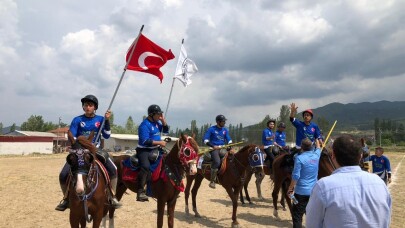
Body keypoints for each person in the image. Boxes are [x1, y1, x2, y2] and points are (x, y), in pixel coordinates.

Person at [306, 135, 392, 228]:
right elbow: (386, 220)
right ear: (360, 156)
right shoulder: (380, 183)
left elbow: (312, 224)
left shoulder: (323, 186)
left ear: (333, 155)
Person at [55, 94, 122, 211]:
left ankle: (112, 196)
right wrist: (78, 146)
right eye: (85, 105)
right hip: (79, 150)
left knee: (113, 169)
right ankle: (66, 199)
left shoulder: (100, 119)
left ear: (95, 107)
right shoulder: (77, 120)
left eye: (90, 105)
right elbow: (73, 136)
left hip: (96, 149)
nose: (87, 107)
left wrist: (106, 121)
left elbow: (106, 135)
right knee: (63, 174)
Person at [135, 104, 169, 201]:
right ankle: (140, 192)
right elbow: (144, 141)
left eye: (160, 114)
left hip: (156, 149)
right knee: (145, 166)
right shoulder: (144, 125)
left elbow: (166, 131)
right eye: (158, 114)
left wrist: (163, 122)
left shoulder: (157, 123)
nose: (159, 116)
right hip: (144, 150)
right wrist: (160, 142)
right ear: (151, 114)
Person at [287, 138, 321, 228]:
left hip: (300, 194)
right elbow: (318, 147)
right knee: (311, 215)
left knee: (297, 216)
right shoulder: (316, 155)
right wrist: (317, 139)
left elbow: (295, 176)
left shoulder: (299, 158)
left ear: (301, 147)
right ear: (311, 147)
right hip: (313, 192)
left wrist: (290, 188)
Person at [203, 114, 232, 189]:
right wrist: (213, 146)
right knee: (217, 162)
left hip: (223, 149)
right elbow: (205, 140)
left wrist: (229, 145)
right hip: (214, 149)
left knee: (232, 158)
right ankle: (212, 181)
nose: (224, 123)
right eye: (223, 122)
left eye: (224, 122)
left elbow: (229, 139)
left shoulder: (225, 130)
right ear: (218, 122)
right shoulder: (211, 129)